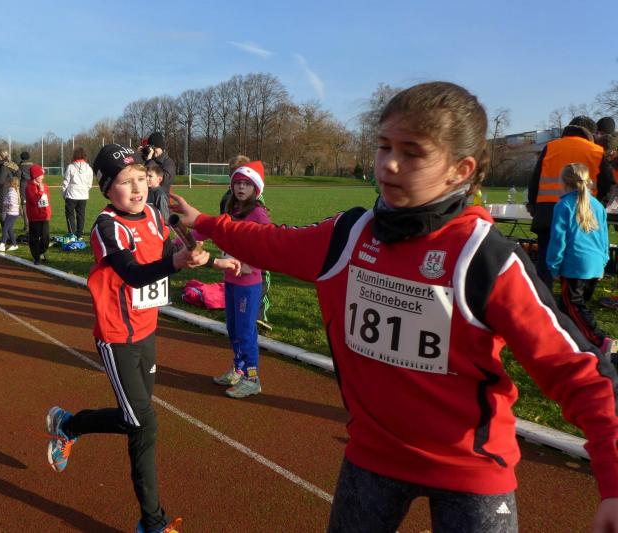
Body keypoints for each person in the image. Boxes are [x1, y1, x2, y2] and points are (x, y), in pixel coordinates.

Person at [170, 82, 618, 533]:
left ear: (460, 170)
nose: (389, 163)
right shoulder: (348, 236)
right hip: (372, 457)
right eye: (384, 146)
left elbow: (579, 372)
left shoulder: (485, 258)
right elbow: (270, 242)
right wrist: (205, 222)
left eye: (413, 152)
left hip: (471, 471)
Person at [45, 144, 210, 533]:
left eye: (141, 178)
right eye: (125, 181)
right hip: (116, 336)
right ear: (106, 188)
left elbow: (168, 248)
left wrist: (206, 258)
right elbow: (134, 273)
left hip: (147, 330)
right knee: (143, 425)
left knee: (134, 416)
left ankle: (69, 425)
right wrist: (175, 262)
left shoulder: (153, 213)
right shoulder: (107, 227)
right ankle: (152, 522)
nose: (137, 188)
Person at [527, 117, 613, 289]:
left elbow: (535, 179)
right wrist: (597, 202)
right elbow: (606, 182)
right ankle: (575, 295)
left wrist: (533, 205)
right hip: (582, 211)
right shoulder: (596, 150)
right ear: (590, 132)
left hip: (547, 210)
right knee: (577, 255)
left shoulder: (551, 146)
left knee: (546, 259)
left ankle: (542, 298)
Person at [210, 161, 271, 398]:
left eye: (246, 184)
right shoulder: (231, 209)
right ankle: (238, 369)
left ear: (256, 188)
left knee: (246, 331)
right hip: (230, 279)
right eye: (238, 183)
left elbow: (269, 245)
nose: (241, 188)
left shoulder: (258, 214)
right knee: (233, 328)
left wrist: (250, 266)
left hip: (248, 284)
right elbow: (218, 231)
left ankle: (252, 378)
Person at [546, 163, 612, 354]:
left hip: (574, 266)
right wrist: (603, 262)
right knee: (570, 307)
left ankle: (601, 341)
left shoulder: (564, 205)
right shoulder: (597, 205)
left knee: (575, 308)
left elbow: (558, 240)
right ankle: (567, 342)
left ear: (564, 182)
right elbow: (604, 238)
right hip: (594, 264)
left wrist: (553, 266)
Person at [61, 147, 93, 240]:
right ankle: (80, 235)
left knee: (70, 215)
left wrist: (64, 194)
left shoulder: (70, 167)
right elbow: (89, 184)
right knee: (81, 215)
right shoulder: (89, 168)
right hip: (83, 195)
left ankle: (72, 233)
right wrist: (85, 191)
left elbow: (65, 182)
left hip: (71, 194)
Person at [24, 164, 52, 265]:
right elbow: (34, 201)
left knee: (46, 238)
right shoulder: (29, 187)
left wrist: (48, 212)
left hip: (44, 216)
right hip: (34, 216)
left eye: (43, 175)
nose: (42, 177)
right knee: (34, 238)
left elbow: (47, 200)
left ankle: (41, 251)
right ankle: (36, 257)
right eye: (40, 175)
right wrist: (40, 191)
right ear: (35, 176)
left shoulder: (45, 186)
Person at [0, 149, 19, 234]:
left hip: (1, 193)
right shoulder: (13, 165)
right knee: (8, 218)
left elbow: (0, 181)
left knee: (4, 220)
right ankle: (9, 238)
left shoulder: (2, 166)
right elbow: (19, 175)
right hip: (11, 192)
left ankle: (8, 238)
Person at [0, 175, 20, 252]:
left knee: (5, 228)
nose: (6, 183)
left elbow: (11, 203)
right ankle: (14, 244)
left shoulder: (11, 192)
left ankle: (2, 245)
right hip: (12, 213)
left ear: (11, 183)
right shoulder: (13, 191)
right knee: (9, 229)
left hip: (12, 213)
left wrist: (6, 204)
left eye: (8, 182)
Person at [18, 151, 34, 231]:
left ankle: (27, 226)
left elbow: (18, 177)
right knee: (33, 206)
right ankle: (33, 225)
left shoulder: (20, 166)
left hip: (24, 186)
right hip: (33, 186)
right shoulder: (33, 165)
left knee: (24, 206)